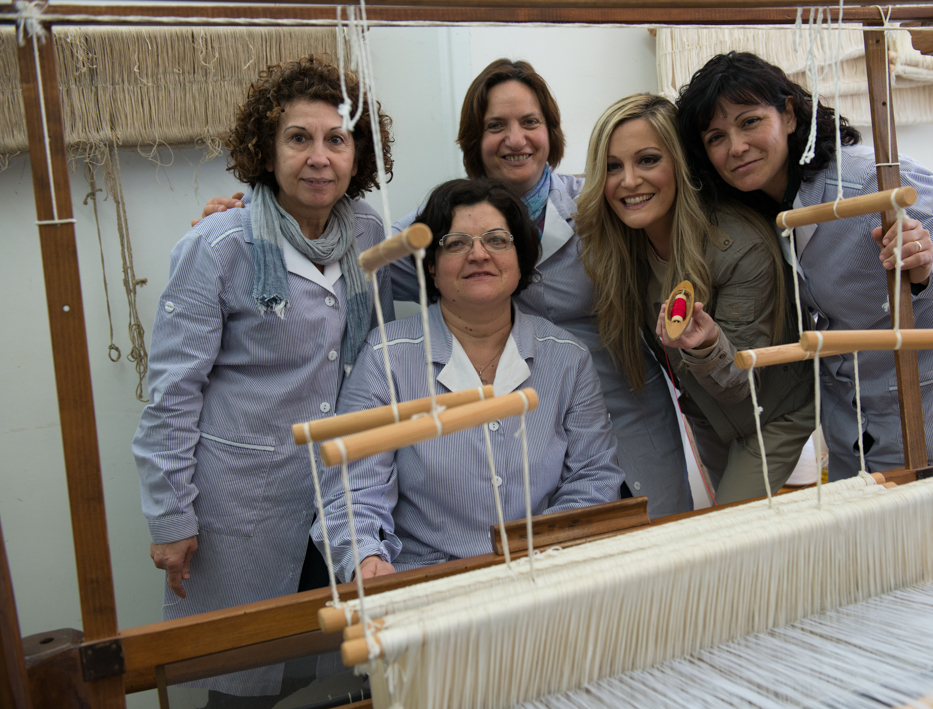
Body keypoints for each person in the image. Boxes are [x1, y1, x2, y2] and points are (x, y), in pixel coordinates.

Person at [202, 59, 693, 517]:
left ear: (551, 132)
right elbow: (354, 248)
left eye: (529, 122)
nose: (515, 139)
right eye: (495, 126)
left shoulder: (600, 201)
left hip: (629, 416)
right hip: (522, 439)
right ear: (473, 141)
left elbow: (675, 221)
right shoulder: (441, 221)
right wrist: (260, 210)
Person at [675, 51, 933, 543]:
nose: (736, 147)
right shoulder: (752, 217)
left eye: (750, 122)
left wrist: (931, 266)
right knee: (873, 593)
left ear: (791, 114)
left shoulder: (871, 180)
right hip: (852, 446)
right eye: (716, 137)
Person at [132, 55, 394, 702]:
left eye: (337, 139)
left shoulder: (368, 231)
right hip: (241, 505)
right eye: (298, 138)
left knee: (339, 678)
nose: (319, 157)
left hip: (341, 495)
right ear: (266, 149)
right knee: (243, 681)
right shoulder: (219, 245)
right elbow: (172, 392)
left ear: (358, 155)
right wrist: (169, 517)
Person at [314, 178, 624, 578]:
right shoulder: (385, 358)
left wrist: (545, 553)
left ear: (520, 258)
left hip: (545, 575)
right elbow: (352, 491)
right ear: (431, 265)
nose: (479, 254)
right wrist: (367, 558)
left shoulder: (568, 359)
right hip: (427, 584)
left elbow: (594, 476)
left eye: (497, 240)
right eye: (457, 243)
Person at [577, 93, 814, 505]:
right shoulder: (623, 249)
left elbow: (744, 382)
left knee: (726, 541)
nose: (629, 181)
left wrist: (705, 346)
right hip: (711, 416)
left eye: (648, 160)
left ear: (681, 163)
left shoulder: (739, 247)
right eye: (613, 166)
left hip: (774, 413)